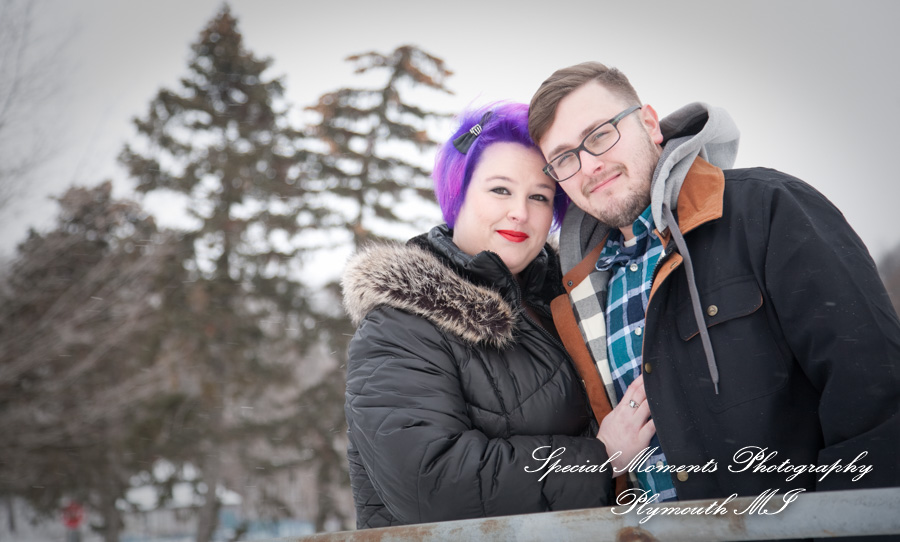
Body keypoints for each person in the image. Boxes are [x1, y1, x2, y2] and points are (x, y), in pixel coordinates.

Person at [527, 61, 900, 508]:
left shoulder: (767, 209)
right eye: (565, 158)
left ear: (649, 123)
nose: (590, 165)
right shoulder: (580, 294)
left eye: (601, 134)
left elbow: (876, 400)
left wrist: (845, 526)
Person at [342, 103, 614, 529]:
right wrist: (599, 458)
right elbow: (432, 486)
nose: (520, 213)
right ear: (458, 195)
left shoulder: (573, 302)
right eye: (500, 190)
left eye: (539, 196)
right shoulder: (398, 327)